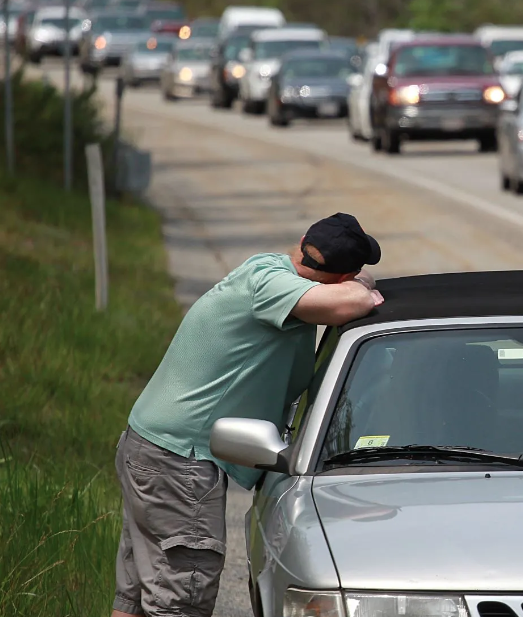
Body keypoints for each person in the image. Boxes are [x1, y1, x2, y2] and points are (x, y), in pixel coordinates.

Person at [110, 212, 384, 617]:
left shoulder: (267, 269)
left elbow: (344, 295)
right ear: (343, 277)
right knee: (179, 600)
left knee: (135, 595)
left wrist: (352, 282)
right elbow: (358, 301)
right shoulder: (273, 287)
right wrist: (360, 286)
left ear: (304, 242)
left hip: (150, 449)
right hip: (180, 461)